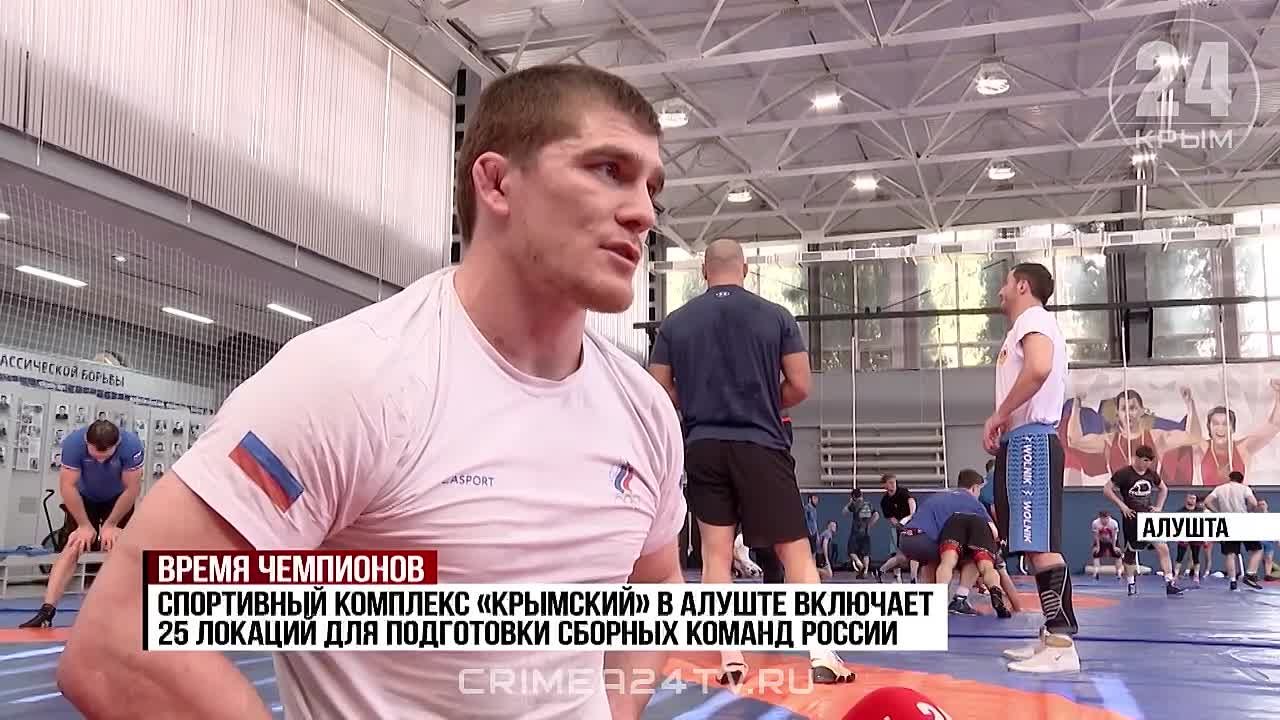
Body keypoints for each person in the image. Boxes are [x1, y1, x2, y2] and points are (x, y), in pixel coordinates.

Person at [59, 64, 688, 720]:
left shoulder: (644, 411)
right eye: (608, 169)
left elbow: (656, 583)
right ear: (498, 182)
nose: (643, 213)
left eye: (652, 188)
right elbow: (118, 643)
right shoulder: (354, 381)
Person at [648, 236, 853, 685]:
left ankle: (730, 658)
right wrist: (761, 401)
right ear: (744, 270)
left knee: (715, 555)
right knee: (795, 551)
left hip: (703, 445)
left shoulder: (676, 323)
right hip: (761, 443)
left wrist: (696, 402)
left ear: (704, 272)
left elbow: (657, 387)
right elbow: (800, 385)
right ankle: (822, 655)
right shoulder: (776, 316)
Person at [983, 262, 1080, 673]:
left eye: (1006, 283)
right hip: (1022, 441)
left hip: (1031, 442)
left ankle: (1061, 642)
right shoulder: (1024, 327)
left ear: (1022, 286)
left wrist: (999, 414)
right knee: (1031, 541)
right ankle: (1050, 637)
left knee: (1040, 544)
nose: (1001, 290)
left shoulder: (1034, 319)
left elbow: (1038, 368)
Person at [20, 419, 144, 629]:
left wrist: (111, 524)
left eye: (106, 456)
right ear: (87, 442)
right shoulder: (73, 444)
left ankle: (121, 611)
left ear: (117, 444)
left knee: (118, 547)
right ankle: (46, 611)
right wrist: (84, 525)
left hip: (118, 499)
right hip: (83, 498)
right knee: (73, 546)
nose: (101, 461)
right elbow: (67, 486)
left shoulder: (132, 445)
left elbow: (132, 489)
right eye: (96, 455)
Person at [893, 470, 1011, 618]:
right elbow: (993, 531)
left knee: (931, 562)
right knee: (969, 557)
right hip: (927, 538)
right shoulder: (972, 502)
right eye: (979, 490)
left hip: (906, 539)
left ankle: (931, 602)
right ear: (974, 488)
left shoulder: (939, 496)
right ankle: (960, 599)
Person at [1103, 445, 1184, 597]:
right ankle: (1131, 582)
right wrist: (1122, 506)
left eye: (1150, 461)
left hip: (1148, 518)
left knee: (1163, 547)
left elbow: (1164, 489)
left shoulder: (1151, 474)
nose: (1147, 464)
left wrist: (1159, 507)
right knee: (1131, 552)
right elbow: (1107, 489)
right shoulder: (1124, 473)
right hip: (1132, 518)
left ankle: (1169, 582)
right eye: (1145, 460)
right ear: (1137, 458)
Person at [1204, 471, 1263, 590]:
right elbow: (1253, 503)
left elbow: (1207, 501)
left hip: (1227, 521)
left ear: (1229, 478)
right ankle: (1250, 574)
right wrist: (1249, 510)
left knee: (1230, 553)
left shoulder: (1220, 488)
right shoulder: (1244, 489)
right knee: (1257, 549)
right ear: (1241, 480)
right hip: (1241, 521)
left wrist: (1217, 512)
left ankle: (1232, 581)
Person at [875, 474, 918, 583]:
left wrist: (912, 515)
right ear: (884, 485)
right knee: (901, 557)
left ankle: (913, 579)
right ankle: (881, 571)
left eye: (894, 482)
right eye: (890, 483)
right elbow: (891, 518)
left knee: (915, 553)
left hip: (912, 525)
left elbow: (911, 501)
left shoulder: (902, 492)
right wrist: (900, 526)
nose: (893, 485)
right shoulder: (885, 501)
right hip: (901, 529)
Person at [842, 488, 877, 578]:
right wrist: (869, 525)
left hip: (856, 532)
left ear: (853, 496)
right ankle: (865, 572)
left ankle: (860, 564)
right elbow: (876, 515)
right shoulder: (868, 504)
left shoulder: (854, 504)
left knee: (851, 551)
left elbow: (844, 512)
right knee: (866, 553)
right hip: (866, 532)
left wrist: (850, 503)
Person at [1172, 494, 1205, 585]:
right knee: (1180, 556)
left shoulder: (1200, 512)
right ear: (1186, 499)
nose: (1192, 500)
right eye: (1190, 498)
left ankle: (1196, 575)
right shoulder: (1180, 512)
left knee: (1196, 556)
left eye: (1194, 498)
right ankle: (1175, 575)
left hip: (1196, 536)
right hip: (1184, 536)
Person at [1089, 510, 1123, 580]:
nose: (1105, 520)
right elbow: (1096, 535)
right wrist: (1098, 546)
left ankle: (1119, 573)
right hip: (1101, 540)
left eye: (1107, 518)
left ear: (1109, 517)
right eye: (1103, 519)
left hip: (1112, 540)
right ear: (1100, 518)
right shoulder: (1095, 523)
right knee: (1096, 553)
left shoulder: (1113, 523)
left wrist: (1114, 546)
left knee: (1118, 554)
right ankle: (1096, 572)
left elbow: (1114, 536)